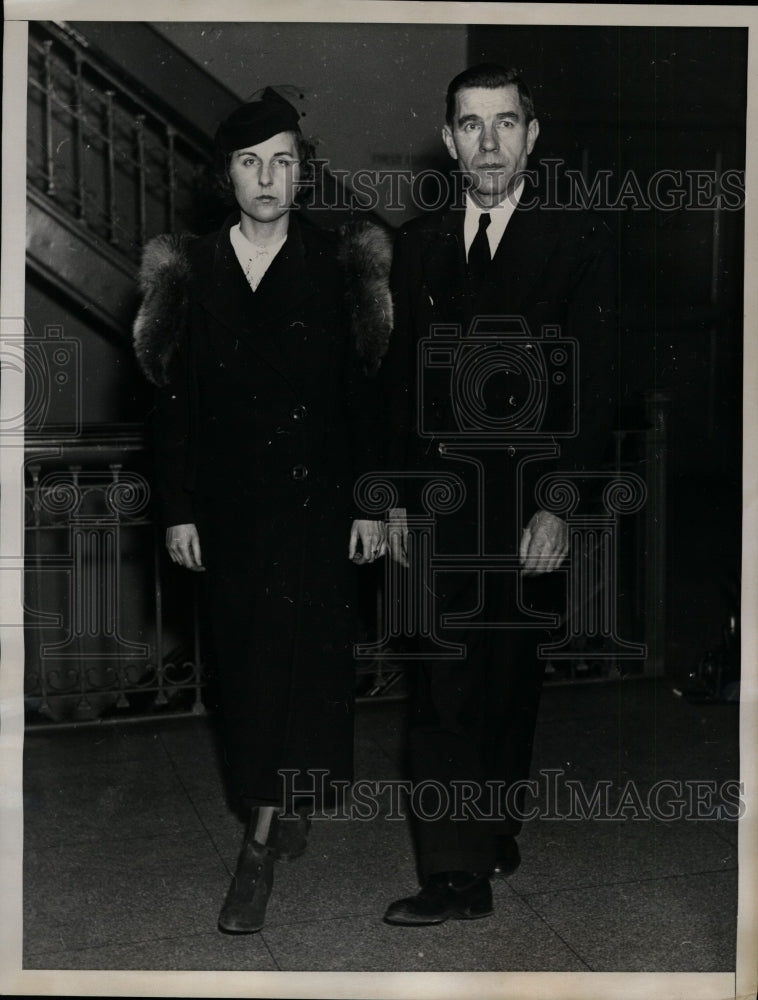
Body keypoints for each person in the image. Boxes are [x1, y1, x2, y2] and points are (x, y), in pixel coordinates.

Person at [132, 88, 392, 934]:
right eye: (250, 162)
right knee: (247, 675)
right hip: (230, 517)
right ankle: (283, 797)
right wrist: (178, 509)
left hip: (318, 509)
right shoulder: (187, 269)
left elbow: (368, 401)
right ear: (226, 176)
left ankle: (257, 846)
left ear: (302, 172)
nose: (267, 177)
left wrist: (371, 503)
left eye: (283, 159)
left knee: (301, 665)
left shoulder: (342, 263)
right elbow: (169, 408)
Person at [381, 64, 617, 925]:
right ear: (447, 140)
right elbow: (396, 387)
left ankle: (496, 824)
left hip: (525, 507)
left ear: (531, 135)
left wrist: (558, 503)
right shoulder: (414, 246)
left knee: (510, 679)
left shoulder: (576, 240)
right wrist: (394, 499)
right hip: (438, 503)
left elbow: (593, 385)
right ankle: (455, 873)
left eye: (505, 123)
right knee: (443, 686)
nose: (488, 142)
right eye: (471, 125)